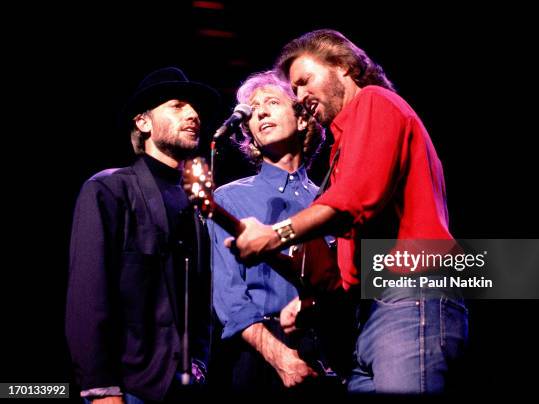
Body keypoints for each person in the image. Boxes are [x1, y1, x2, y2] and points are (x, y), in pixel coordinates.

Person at [227, 30, 469, 394]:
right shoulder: (344, 143)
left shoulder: (374, 102)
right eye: (295, 90)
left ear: (343, 66)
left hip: (410, 294)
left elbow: (354, 200)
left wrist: (275, 234)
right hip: (373, 315)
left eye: (305, 82)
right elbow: (350, 260)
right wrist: (310, 303)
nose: (302, 97)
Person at [65, 67, 219, 403]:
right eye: (177, 105)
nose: (193, 115)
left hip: (188, 386)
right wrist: (101, 388)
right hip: (132, 385)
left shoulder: (197, 201)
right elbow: (88, 294)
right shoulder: (109, 189)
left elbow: (203, 292)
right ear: (143, 122)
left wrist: (200, 362)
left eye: (194, 109)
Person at [209, 70, 336, 392]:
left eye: (272, 102)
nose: (261, 112)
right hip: (261, 354)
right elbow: (229, 296)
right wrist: (279, 356)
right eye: (253, 109)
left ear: (304, 120)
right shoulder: (229, 198)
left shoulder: (331, 200)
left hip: (332, 348)